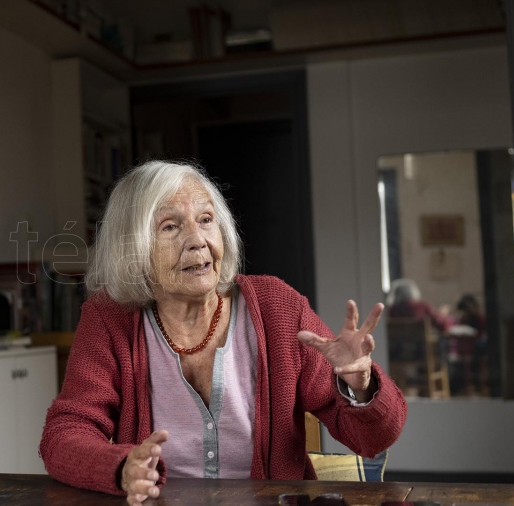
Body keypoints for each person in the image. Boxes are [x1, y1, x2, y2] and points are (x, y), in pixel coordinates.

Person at [39, 161, 407, 505]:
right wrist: (121, 469)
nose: (197, 240)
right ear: (134, 249)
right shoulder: (110, 319)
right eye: (171, 226)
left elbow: (374, 438)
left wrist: (360, 384)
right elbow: (63, 435)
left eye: (206, 219)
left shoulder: (276, 308)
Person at [385, 278, 452, 334]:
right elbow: (442, 326)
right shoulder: (422, 306)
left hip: (396, 348)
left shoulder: (392, 310)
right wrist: (442, 315)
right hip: (421, 348)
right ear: (413, 292)